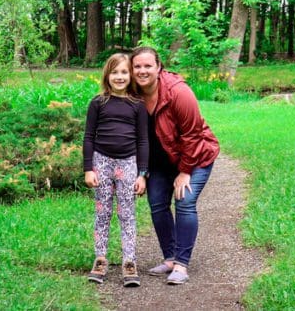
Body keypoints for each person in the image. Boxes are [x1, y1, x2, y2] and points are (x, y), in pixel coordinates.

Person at [131, 45, 219, 286]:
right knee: (157, 204)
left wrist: (185, 171)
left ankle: (181, 264)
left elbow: (192, 135)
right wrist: (142, 171)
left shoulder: (178, 92)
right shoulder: (133, 93)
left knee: (185, 201)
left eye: (148, 65)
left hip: (196, 156)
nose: (142, 71)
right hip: (161, 162)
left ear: (159, 67)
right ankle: (169, 258)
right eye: (137, 66)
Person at [83, 52, 149, 287]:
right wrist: (88, 168)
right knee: (102, 212)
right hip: (102, 162)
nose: (119, 77)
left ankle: (129, 261)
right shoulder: (98, 102)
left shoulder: (137, 105)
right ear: (107, 75)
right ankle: (100, 258)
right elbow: (89, 136)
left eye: (124, 72)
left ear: (130, 75)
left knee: (127, 213)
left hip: (128, 163)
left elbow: (143, 141)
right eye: (115, 72)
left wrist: (142, 174)